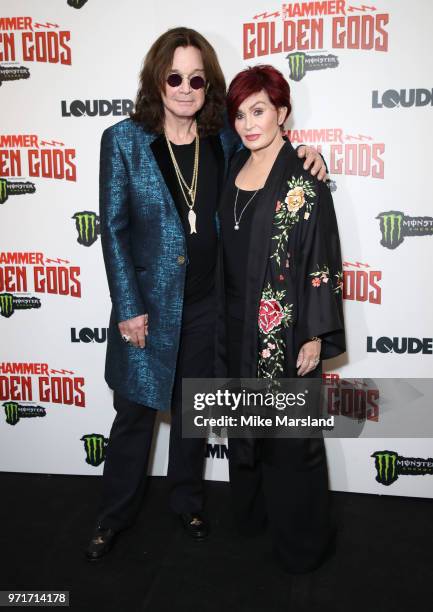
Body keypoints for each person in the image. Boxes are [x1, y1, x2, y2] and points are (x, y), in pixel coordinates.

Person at [86, 28, 326, 561]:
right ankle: (113, 515)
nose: (186, 87)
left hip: (207, 308)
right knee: (134, 416)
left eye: (197, 77)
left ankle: (187, 501)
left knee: (193, 415)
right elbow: (114, 228)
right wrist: (128, 307)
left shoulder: (223, 140)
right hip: (146, 310)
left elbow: (272, 154)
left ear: (208, 84)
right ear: (156, 80)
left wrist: (308, 154)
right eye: (175, 76)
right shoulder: (122, 141)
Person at [218, 64, 346, 573]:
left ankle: (305, 546)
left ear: (282, 113)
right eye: (240, 114)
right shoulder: (232, 164)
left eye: (259, 111)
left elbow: (322, 255)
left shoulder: (302, 176)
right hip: (234, 324)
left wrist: (315, 331)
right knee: (247, 428)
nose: (249, 123)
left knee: (292, 443)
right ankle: (252, 522)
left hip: (285, 326)